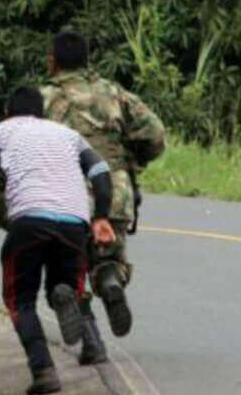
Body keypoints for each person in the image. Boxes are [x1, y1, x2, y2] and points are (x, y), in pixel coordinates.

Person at [0, 87, 116, 395]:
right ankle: (92, 344)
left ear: (9, 112)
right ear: (42, 113)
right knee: (66, 289)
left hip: (29, 222)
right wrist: (101, 217)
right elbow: (101, 172)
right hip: (74, 223)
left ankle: (44, 371)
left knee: (21, 300)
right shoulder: (66, 133)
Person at [42, 32, 165, 364]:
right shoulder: (115, 93)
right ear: (86, 61)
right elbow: (155, 133)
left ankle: (92, 342)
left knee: (66, 270)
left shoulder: (44, 99)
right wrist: (130, 161)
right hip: (115, 188)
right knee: (107, 254)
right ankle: (110, 277)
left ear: (53, 61)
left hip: (63, 193)